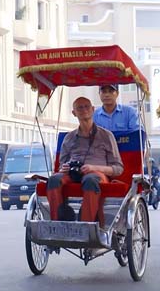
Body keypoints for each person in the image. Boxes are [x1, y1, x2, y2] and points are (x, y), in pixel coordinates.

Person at [47, 97, 123, 227]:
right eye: (79, 108)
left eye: (87, 107)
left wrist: (94, 167)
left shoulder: (106, 135)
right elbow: (61, 165)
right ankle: (57, 224)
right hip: (72, 174)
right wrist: (63, 169)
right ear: (74, 113)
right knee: (53, 180)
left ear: (93, 110)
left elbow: (118, 168)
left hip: (97, 175)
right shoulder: (69, 137)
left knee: (90, 180)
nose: (84, 110)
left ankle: (85, 225)